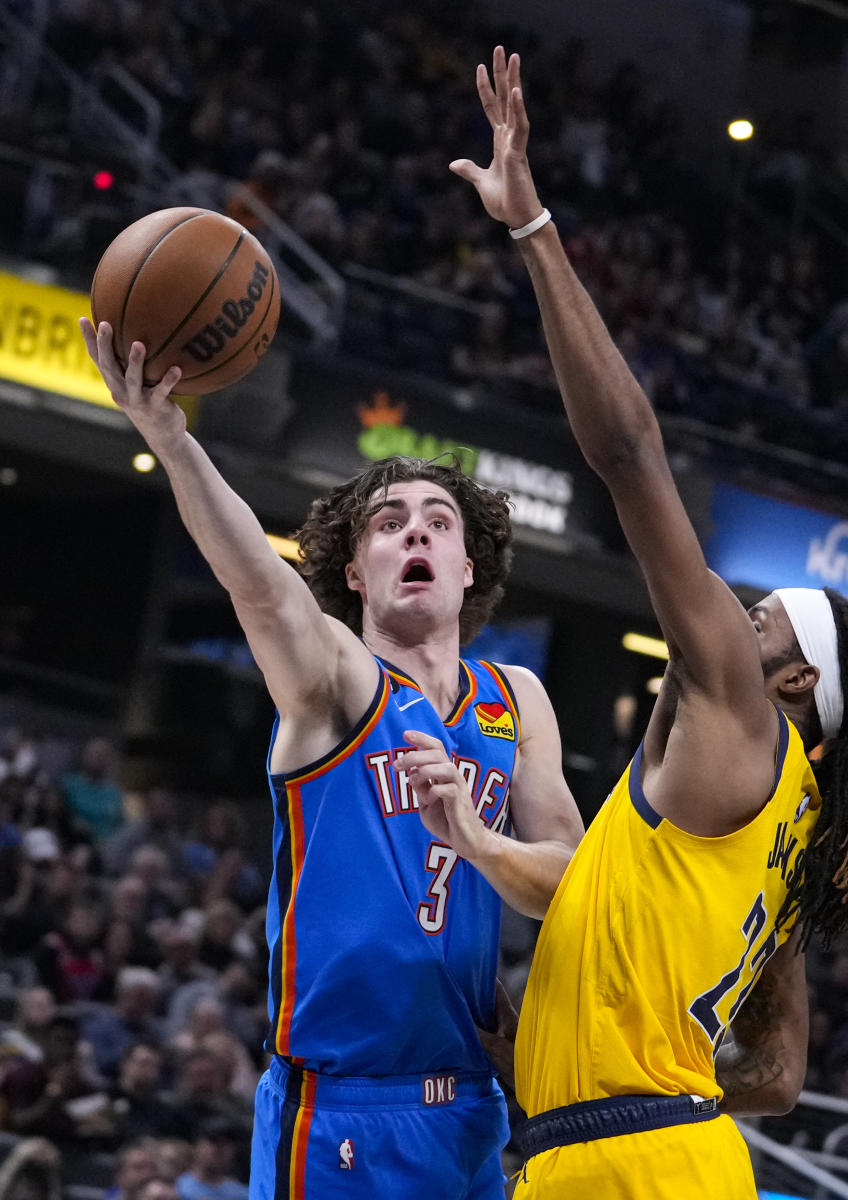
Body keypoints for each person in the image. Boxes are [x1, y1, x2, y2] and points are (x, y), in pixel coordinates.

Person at [451, 47, 848, 1197]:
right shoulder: (794, 838)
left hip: (627, 1160)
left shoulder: (739, 717)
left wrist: (532, 230)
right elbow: (782, 1071)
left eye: (764, 622)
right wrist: (612, 1037)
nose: (732, 618)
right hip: (654, 1149)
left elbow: (626, 454)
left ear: (795, 685)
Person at [79, 315, 584, 1199]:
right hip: (342, 1114)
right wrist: (171, 438)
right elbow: (261, 590)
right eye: (389, 525)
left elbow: (573, 881)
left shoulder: (518, 701)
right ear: (355, 573)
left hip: (471, 1113)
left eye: (439, 523)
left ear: (471, 565)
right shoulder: (339, 682)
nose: (417, 535)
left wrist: (479, 841)